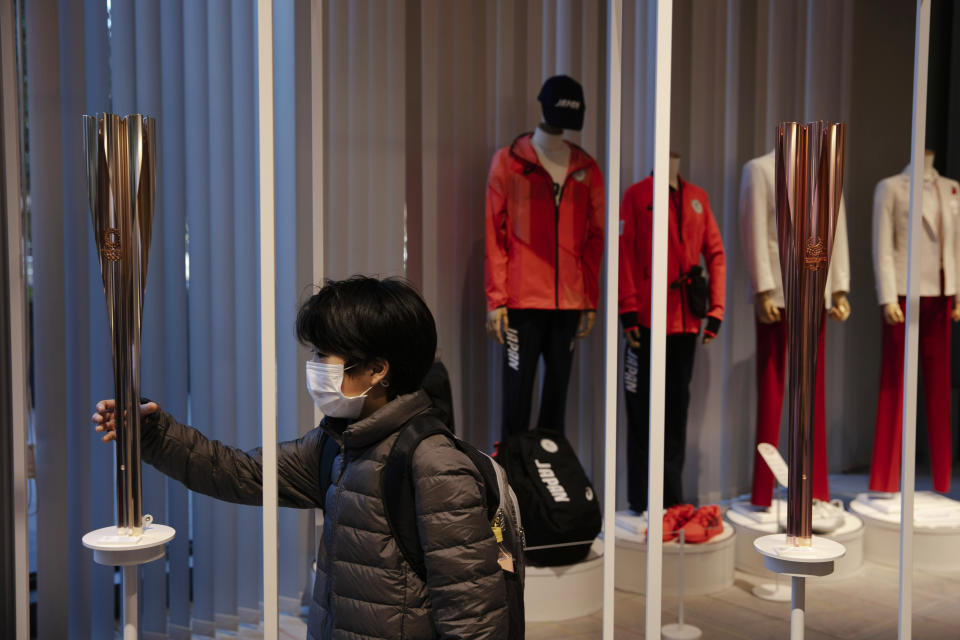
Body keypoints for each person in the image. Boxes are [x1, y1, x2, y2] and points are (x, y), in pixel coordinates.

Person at [92, 276, 509, 640]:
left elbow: (473, 619)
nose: (314, 367)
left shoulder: (435, 465)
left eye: (323, 355)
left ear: (378, 370)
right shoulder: (336, 445)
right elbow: (236, 472)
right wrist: (152, 432)